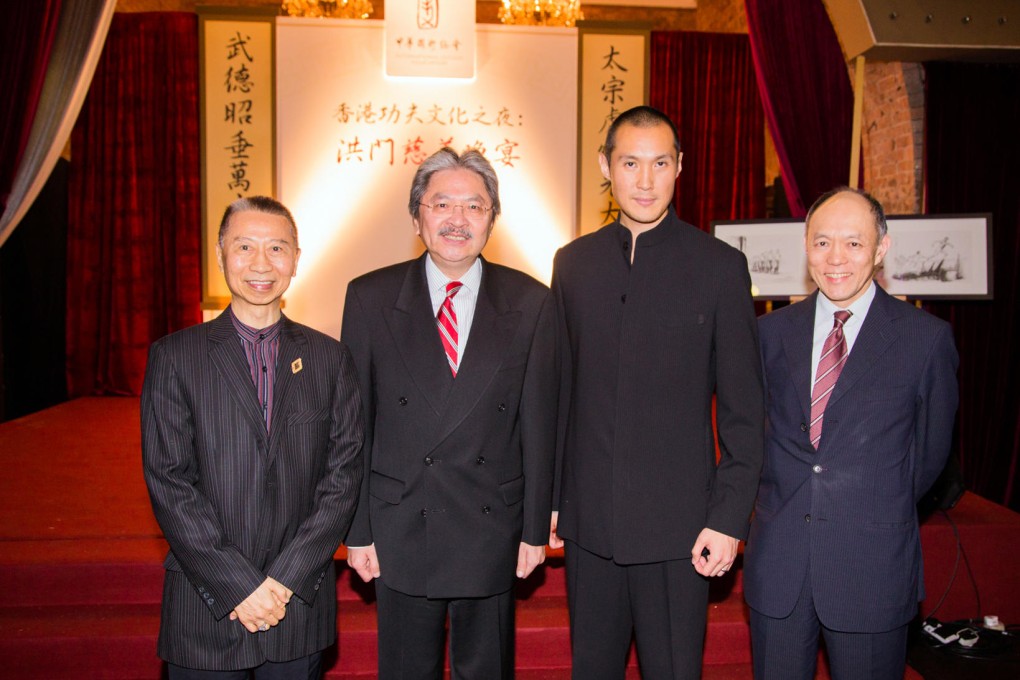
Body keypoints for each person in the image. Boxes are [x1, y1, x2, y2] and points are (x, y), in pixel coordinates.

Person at [550, 105, 765, 679]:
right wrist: (552, 500)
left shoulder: (720, 267)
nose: (645, 180)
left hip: (681, 531)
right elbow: (561, 394)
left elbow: (745, 413)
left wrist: (728, 518)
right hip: (590, 525)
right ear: (606, 166)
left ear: (679, 167)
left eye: (660, 163)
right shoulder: (573, 265)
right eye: (630, 163)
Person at [341, 148, 557, 679]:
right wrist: (358, 530)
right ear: (416, 216)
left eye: (474, 206)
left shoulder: (531, 302)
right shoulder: (369, 297)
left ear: (492, 219)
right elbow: (353, 428)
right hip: (402, 522)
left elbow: (540, 427)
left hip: (491, 526)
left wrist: (534, 530)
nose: (457, 219)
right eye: (442, 204)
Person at [141, 196, 364, 679]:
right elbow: (169, 481)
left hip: (296, 603)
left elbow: (343, 477)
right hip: (206, 605)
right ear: (220, 254)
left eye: (277, 248)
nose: (261, 263)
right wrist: (239, 586)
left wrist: (285, 578)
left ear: (296, 259)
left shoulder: (330, 359)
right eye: (244, 247)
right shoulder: (176, 357)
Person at [743, 188, 959, 680]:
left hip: (871, 565)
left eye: (853, 243)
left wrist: (868, 502)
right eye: (822, 243)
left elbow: (929, 456)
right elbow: (753, 436)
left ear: (881, 249)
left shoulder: (924, 339)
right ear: (806, 246)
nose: (835, 258)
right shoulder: (769, 334)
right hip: (780, 563)